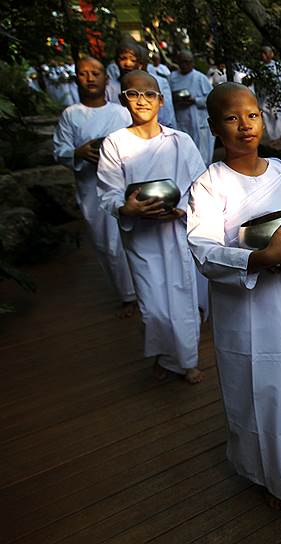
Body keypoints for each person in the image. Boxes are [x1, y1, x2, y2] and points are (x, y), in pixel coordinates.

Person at [187, 82, 281, 510]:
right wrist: (259, 259)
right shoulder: (209, 185)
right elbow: (205, 249)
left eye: (251, 114)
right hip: (247, 316)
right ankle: (273, 478)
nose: (245, 125)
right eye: (232, 118)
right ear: (215, 127)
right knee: (260, 396)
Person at [97, 69, 206, 384]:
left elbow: (200, 185)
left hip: (176, 233)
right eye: (133, 93)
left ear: (160, 101)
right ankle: (165, 356)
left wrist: (181, 208)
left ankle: (186, 361)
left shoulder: (180, 142)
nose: (141, 100)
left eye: (149, 94)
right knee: (153, 305)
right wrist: (126, 207)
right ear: (123, 99)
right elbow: (108, 192)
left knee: (182, 298)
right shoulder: (115, 144)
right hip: (141, 238)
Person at [53, 56, 137, 318]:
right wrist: (78, 152)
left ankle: (139, 292)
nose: (89, 78)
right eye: (83, 74)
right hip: (92, 190)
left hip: (125, 185)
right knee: (107, 244)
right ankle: (126, 295)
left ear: (106, 79)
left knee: (131, 239)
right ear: (76, 78)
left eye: (95, 73)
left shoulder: (122, 113)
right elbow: (60, 150)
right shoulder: (71, 115)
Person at [107, 40, 176, 129]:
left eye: (133, 60)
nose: (128, 63)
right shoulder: (109, 87)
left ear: (140, 64)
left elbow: (167, 116)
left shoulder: (158, 82)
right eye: (123, 58)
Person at [169, 50, 215, 164]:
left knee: (202, 154)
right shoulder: (171, 78)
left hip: (198, 121)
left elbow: (211, 98)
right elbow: (167, 98)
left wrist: (195, 100)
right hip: (181, 120)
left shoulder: (200, 78)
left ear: (192, 63)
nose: (184, 65)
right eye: (181, 62)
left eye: (187, 62)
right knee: (185, 153)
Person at [258, 46, 281, 151]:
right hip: (265, 98)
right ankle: (273, 137)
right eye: (262, 53)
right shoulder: (260, 68)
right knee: (268, 117)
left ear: (271, 54)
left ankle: (279, 137)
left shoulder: (277, 66)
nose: (263, 56)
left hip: (276, 96)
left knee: (277, 116)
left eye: (265, 53)